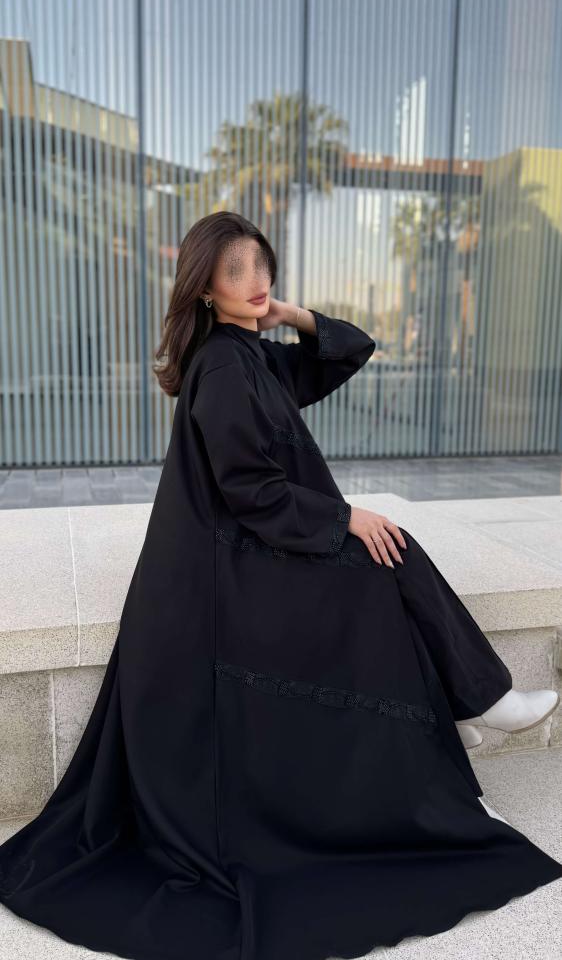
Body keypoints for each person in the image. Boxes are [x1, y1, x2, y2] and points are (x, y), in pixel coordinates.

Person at [0, 210, 560, 959]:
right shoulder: (223, 367)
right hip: (221, 574)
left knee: (385, 560)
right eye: (234, 272)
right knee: (380, 560)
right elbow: (251, 491)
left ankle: (458, 709)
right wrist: (344, 517)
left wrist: (290, 314)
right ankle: (473, 703)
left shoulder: (252, 354)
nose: (255, 281)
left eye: (261, 266)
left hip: (243, 547)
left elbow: (352, 349)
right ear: (204, 288)